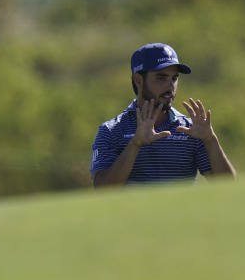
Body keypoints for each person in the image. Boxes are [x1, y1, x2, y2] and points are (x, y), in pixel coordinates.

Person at [91, 43, 236, 186]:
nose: (170, 86)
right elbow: (102, 187)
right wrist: (135, 144)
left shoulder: (191, 130)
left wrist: (210, 140)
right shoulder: (111, 130)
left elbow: (228, 186)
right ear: (138, 80)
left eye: (174, 78)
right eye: (161, 78)